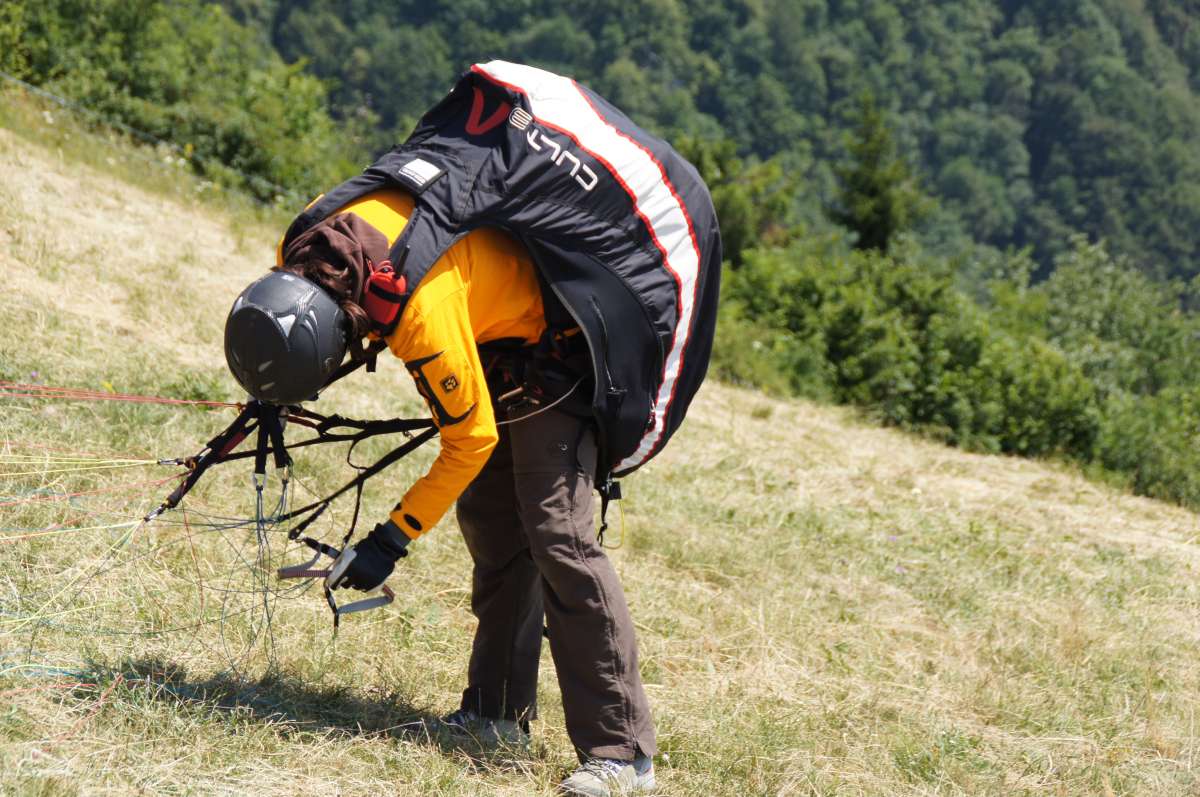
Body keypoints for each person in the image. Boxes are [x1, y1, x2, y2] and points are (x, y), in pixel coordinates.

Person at [225, 187, 658, 796]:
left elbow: (469, 441)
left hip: (561, 347)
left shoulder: (420, 311)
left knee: (557, 530)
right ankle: (495, 714)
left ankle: (623, 753)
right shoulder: (303, 244)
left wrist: (391, 539)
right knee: (494, 519)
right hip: (491, 335)